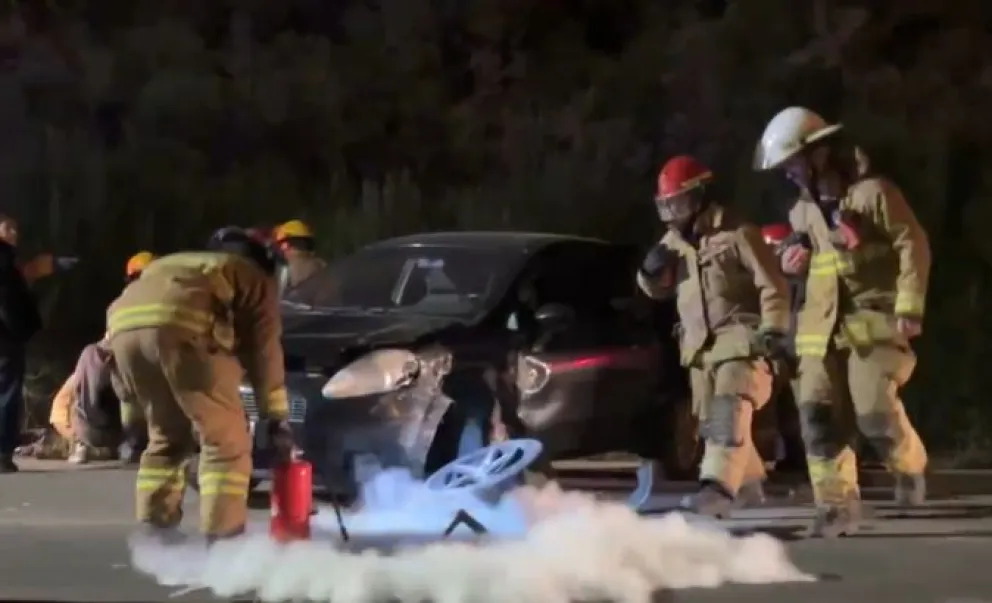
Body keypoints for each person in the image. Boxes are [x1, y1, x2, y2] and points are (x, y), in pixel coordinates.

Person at [754, 106, 930, 536]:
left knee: (874, 413)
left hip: (873, 319)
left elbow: (914, 245)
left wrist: (909, 307)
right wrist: (795, 264)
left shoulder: (874, 195)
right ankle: (835, 506)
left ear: (819, 155)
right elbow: (817, 266)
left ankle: (909, 466)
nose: (789, 175)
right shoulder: (802, 214)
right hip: (819, 328)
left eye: (792, 164)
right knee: (817, 413)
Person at [106, 227, 293, 542]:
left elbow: (117, 360)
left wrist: (132, 415)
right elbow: (264, 349)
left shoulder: (174, 266)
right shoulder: (249, 274)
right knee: (226, 443)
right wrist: (275, 414)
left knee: (166, 437)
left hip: (123, 329)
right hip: (184, 331)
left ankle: (157, 532)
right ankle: (224, 540)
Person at [636, 155, 791, 517]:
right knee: (712, 424)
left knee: (728, 409)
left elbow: (773, 285)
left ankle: (717, 488)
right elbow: (657, 292)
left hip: (740, 340)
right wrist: (648, 273)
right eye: (666, 205)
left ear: (701, 195)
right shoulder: (673, 242)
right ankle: (749, 485)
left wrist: (774, 330)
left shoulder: (739, 233)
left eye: (679, 202)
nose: (673, 212)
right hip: (699, 350)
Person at [43, 251, 156, 464]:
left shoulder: (123, 306)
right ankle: (100, 438)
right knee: (92, 358)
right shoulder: (122, 308)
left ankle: (125, 439)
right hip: (132, 389)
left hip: (151, 390)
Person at [0, 214, 43, 472]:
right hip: (5, 337)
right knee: (7, 390)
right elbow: (7, 299)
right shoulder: (3, 258)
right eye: (8, 228)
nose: (14, 233)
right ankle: (2, 451)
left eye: (16, 228)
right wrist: (18, 328)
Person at [271, 219, 325, 296]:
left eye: (281, 244)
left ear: (286, 245)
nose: (281, 249)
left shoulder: (293, 267)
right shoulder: (322, 265)